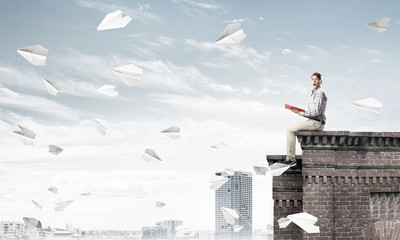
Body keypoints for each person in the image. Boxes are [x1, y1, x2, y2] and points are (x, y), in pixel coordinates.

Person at [281, 72, 327, 167]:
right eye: (312, 79)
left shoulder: (319, 92)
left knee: (290, 130)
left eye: (316, 79)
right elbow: (313, 112)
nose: (314, 81)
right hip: (313, 121)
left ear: (320, 81)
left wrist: (300, 113)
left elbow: (316, 112)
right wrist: (299, 111)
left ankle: (290, 159)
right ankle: (291, 158)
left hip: (316, 123)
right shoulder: (314, 93)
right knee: (292, 129)